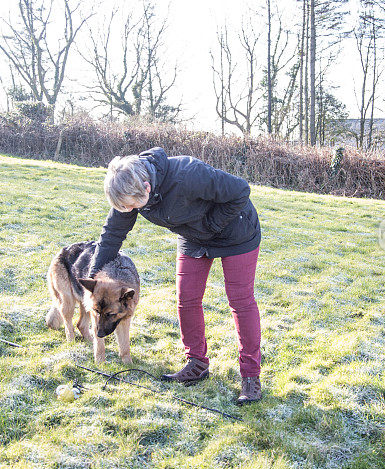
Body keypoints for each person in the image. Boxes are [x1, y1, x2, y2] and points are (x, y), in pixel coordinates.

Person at [88, 146, 263, 405]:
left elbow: (240, 190)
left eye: (131, 205)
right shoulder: (129, 191)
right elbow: (112, 236)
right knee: (187, 299)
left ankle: (250, 376)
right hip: (193, 237)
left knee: (240, 301)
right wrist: (92, 280)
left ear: (146, 188)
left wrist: (212, 226)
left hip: (235, 232)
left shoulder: (188, 174)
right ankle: (196, 362)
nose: (128, 210)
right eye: (123, 207)